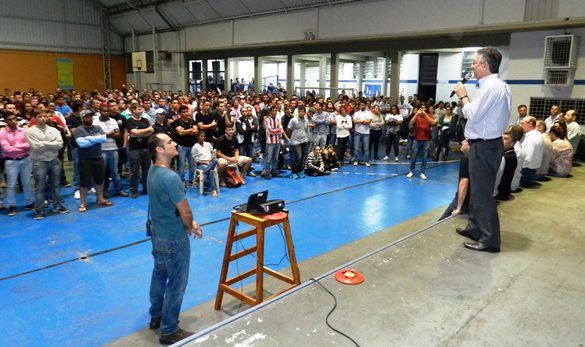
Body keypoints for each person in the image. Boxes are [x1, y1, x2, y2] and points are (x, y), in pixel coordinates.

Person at [146, 133, 202, 345]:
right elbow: (185, 212)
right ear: (160, 150)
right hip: (173, 238)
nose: (174, 143)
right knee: (176, 284)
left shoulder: (152, 171)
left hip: (158, 234)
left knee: (159, 275)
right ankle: (169, 330)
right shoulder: (171, 178)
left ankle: (157, 315)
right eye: (169, 142)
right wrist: (191, 226)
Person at [453, 46, 511, 253]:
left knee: (483, 194)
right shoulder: (494, 86)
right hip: (483, 145)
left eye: (475, 63)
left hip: (485, 146)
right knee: (477, 192)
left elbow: (473, 114)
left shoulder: (492, 87)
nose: (472, 66)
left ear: (485, 65)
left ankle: (489, 240)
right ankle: (475, 228)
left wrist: (463, 96)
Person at [26, 110, 70, 220]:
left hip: (54, 160)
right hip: (39, 162)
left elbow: (59, 145)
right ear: (35, 118)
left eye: (44, 116)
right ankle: (39, 210)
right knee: (40, 187)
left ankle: (58, 205)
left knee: (55, 185)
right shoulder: (30, 131)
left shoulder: (54, 130)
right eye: (40, 116)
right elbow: (37, 147)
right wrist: (51, 144)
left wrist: (44, 143)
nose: (43, 118)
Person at [74, 110, 113, 212]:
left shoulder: (97, 127)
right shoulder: (79, 130)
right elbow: (82, 144)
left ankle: (100, 199)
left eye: (91, 117)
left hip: (98, 157)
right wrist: (96, 138)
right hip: (85, 159)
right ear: (82, 119)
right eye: (87, 117)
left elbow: (103, 138)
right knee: (84, 182)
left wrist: (88, 138)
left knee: (100, 180)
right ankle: (82, 203)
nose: (90, 119)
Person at [0, 113, 34, 216]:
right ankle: (11, 205)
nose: (13, 121)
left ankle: (30, 202)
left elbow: (30, 145)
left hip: (26, 159)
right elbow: (6, 149)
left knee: (27, 182)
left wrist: (16, 146)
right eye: (10, 119)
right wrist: (22, 146)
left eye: (14, 119)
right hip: (11, 161)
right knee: (11, 184)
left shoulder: (24, 131)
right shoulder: (2, 133)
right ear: (6, 121)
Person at [406, 104, 437, 180]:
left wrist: (425, 114)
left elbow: (433, 123)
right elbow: (410, 124)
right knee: (413, 156)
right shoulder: (417, 116)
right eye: (421, 108)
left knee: (424, 157)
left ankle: (422, 172)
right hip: (416, 139)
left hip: (426, 140)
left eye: (424, 108)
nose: (423, 109)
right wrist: (417, 114)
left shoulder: (429, 115)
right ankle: (411, 171)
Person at [191, 132, 218, 196]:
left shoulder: (208, 144)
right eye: (201, 136)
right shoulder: (195, 147)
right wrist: (205, 162)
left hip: (210, 162)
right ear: (198, 137)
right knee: (211, 171)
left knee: (216, 160)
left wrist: (210, 160)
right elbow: (196, 160)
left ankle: (203, 173)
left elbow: (213, 154)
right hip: (201, 164)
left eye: (204, 136)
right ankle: (213, 190)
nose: (203, 137)